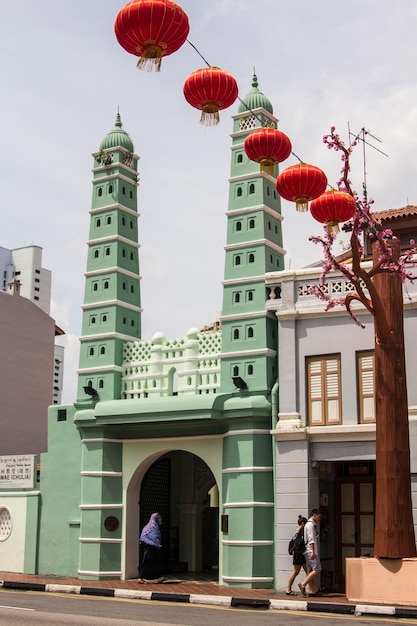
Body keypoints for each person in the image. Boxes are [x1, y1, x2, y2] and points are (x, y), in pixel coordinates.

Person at [298, 508, 322, 597]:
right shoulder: (310, 525)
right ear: (314, 515)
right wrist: (313, 551)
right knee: (317, 569)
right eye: (318, 516)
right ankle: (303, 584)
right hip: (310, 550)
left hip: (307, 550)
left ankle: (313, 589)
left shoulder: (309, 525)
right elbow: (311, 539)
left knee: (310, 571)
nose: (319, 519)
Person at [138, 512, 164, 583]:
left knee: (154, 562)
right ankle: (141, 577)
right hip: (149, 547)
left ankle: (155, 577)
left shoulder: (155, 527)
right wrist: (153, 544)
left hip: (154, 547)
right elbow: (143, 537)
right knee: (147, 562)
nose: (160, 519)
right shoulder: (148, 527)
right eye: (159, 517)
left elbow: (156, 537)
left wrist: (156, 544)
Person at [286, 515, 307, 595]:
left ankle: (311, 587)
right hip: (299, 553)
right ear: (302, 523)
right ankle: (288, 589)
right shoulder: (301, 530)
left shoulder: (296, 530)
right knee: (296, 571)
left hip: (298, 553)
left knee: (307, 570)